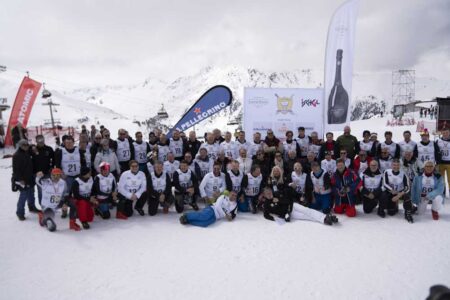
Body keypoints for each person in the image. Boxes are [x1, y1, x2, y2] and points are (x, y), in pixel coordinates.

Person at [262, 187, 336, 225]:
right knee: (305, 216)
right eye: (267, 194)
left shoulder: (277, 194)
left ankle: (326, 217)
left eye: (270, 192)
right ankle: (324, 219)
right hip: (289, 213)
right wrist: (275, 219)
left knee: (307, 210)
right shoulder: (266, 204)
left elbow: (288, 200)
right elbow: (266, 215)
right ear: (264, 195)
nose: (269, 194)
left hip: (292, 206)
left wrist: (279, 200)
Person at [13, 139, 40, 220]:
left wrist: (33, 148)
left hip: (30, 178)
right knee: (23, 196)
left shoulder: (27, 152)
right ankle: (20, 212)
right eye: (24, 145)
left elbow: (34, 150)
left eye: (27, 145)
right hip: (22, 179)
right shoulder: (17, 155)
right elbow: (16, 169)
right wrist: (20, 179)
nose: (26, 146)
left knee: (31, 194)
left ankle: (32, 207)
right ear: (20, 146)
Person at [31, 135, 55, 205]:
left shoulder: (49, 149)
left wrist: (52, 168)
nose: (40, 141)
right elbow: (29, 161)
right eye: (39, 140)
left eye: (42, 140)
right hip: (38, 175)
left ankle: (50, 205)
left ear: (44, 140)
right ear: (36, 141)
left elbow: (54, 159)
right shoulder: (33, 150)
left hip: (47, 174)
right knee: (40, 191)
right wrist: (35, 172)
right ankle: (43, 206)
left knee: (49, 190)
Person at [436, 127, 450, 197]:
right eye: (444, 133)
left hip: (449, 163)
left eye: (447, 133)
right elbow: (435, 151)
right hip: (441, 163)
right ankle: (442, 192)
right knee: (441, 180)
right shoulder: (438, 141)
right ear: (441, 133)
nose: (445, 134)